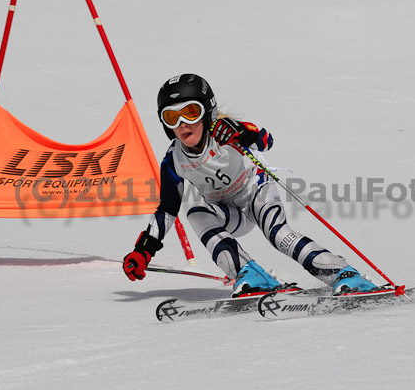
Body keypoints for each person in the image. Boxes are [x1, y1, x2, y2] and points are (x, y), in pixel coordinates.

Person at [122, 73, 377, 297]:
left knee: (279, 236)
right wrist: (144, 250)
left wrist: (241, 133)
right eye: (171, 117)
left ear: (207, 112)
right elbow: (167, 210)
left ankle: (344, 274)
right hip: (228, 212)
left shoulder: (224, 130)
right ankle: (250, 274)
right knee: (196, 212)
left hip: (256, 194)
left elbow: (265, 140)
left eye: (190, 113)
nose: (182, 124)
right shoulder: (174, 160)